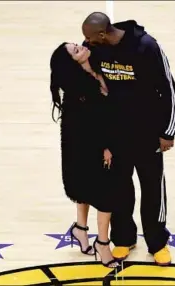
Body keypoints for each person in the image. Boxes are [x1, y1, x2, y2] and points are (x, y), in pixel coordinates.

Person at [81, 12, 175, 266]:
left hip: (147, 133)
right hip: (114, 135)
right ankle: (124, 239)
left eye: (90, 38)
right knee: (119, 189)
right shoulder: (94, 49)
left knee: (152, 190)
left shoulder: (146, 46)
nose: (86, 43)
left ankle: (157, 242)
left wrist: (168, 131)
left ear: (103, 34)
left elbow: (168, 87)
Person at [49, 42, 119, 268]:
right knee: (106, 196)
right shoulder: (79, 89)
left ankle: (80, 229)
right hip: (86, 145)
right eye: (76, 51)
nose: (81, 47)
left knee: (85, 189)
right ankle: (103, 243)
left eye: (76, 45)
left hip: (87, 142)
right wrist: (105, 147)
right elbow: (92, 123)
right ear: (72, 62)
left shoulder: (94, 68)